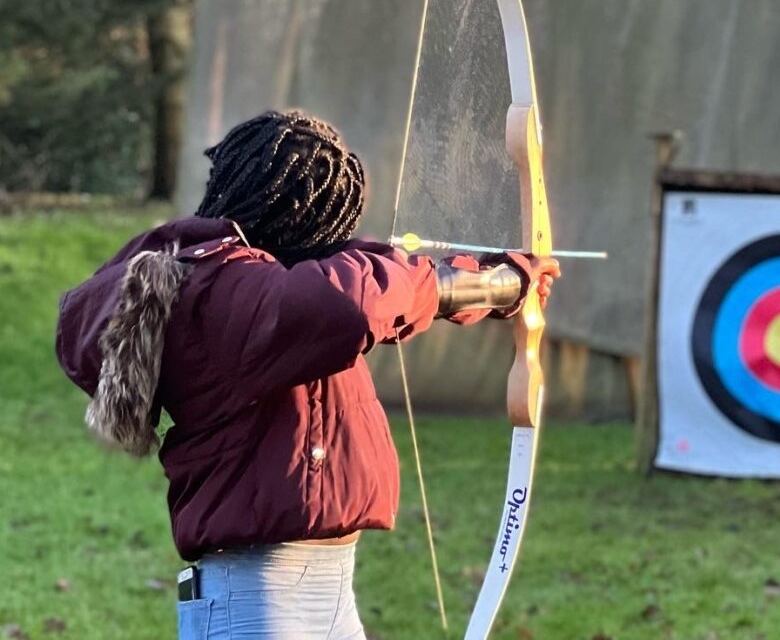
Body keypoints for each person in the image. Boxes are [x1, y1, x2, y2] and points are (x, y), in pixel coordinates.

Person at [55, 110, 559, 639]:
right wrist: (495, 286)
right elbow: (353, 301)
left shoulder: (252, 291)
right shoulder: (222, 295)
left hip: (325, 595)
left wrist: (481, 279)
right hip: (257, 604)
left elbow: (357, 284)